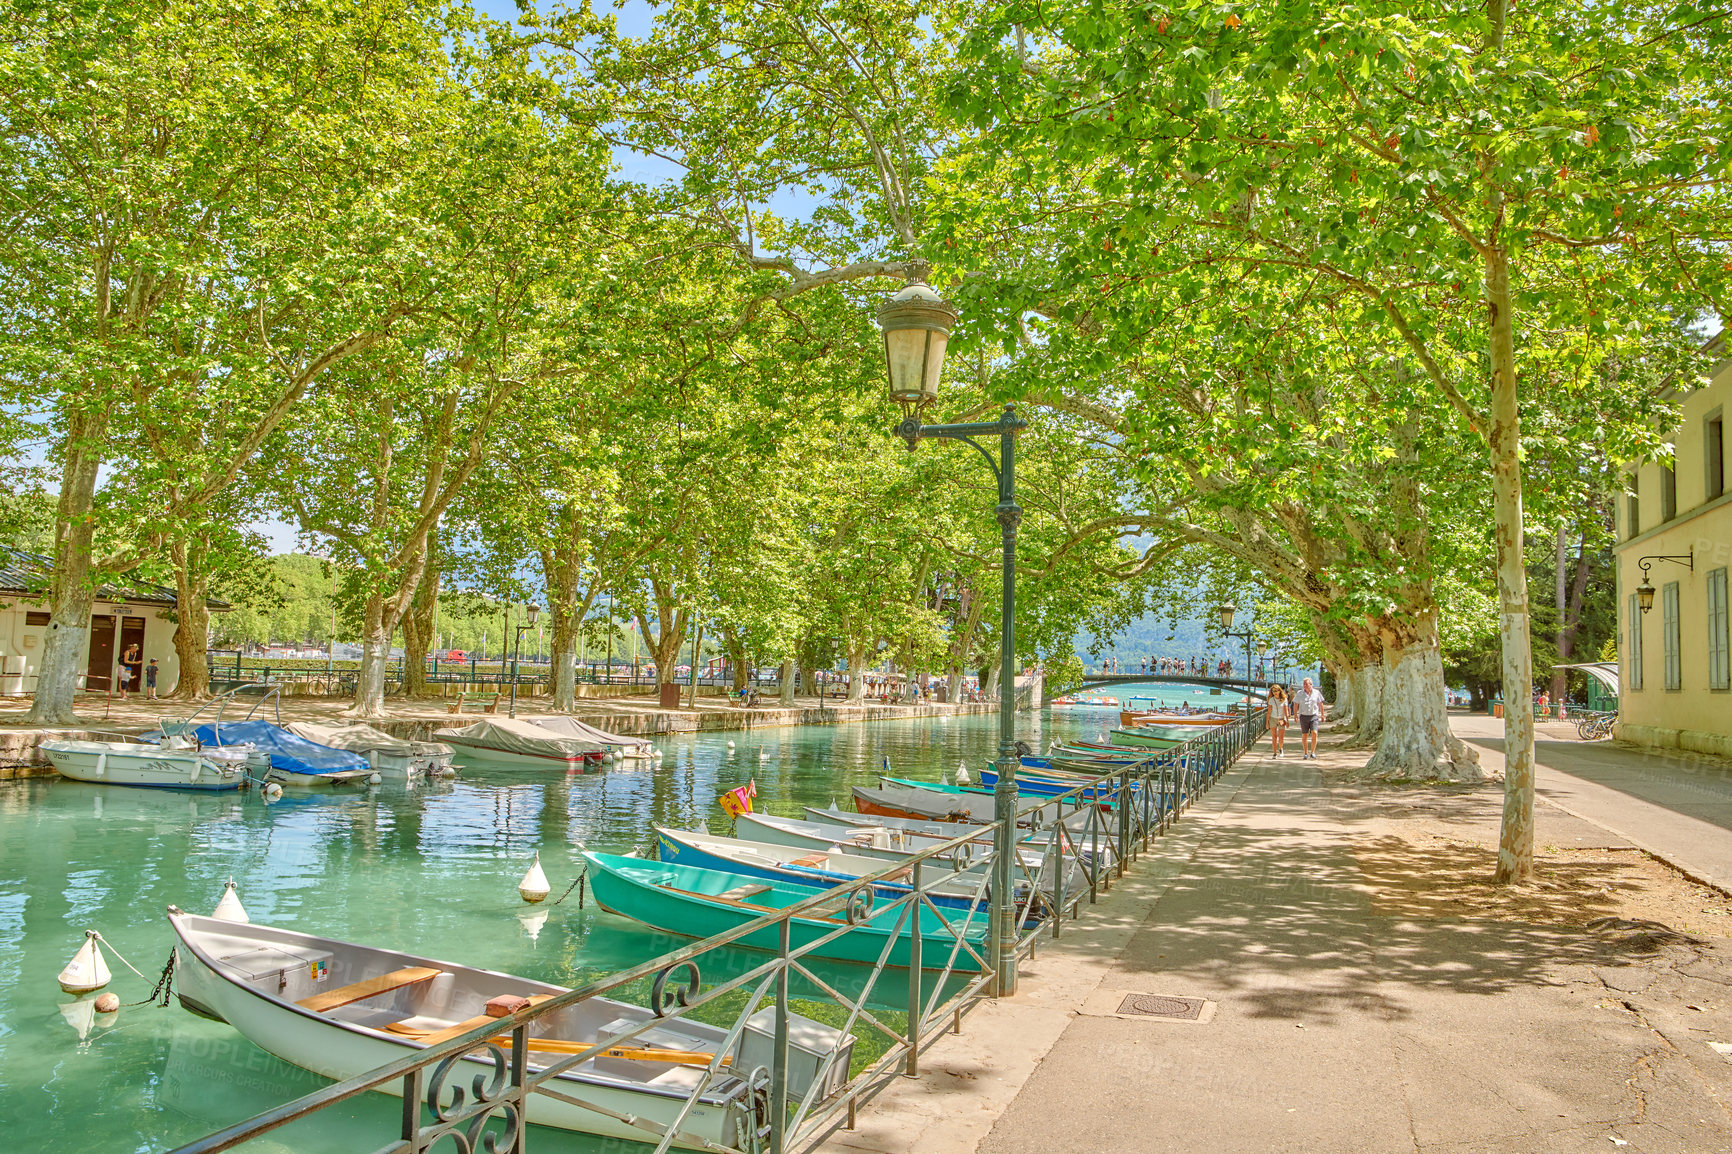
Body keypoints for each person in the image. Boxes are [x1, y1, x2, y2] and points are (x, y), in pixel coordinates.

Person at [1295, 677, 1326, 759]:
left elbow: (1320, 704)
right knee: (1305, 735)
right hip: (1303, 716)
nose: (1304, 685)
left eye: (1306, 684)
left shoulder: (1316, 693)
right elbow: (1296, 704)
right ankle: (1305, 752)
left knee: (1314, 733)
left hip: (1313, 716)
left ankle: (1312, 752)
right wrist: (1295, 715)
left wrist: (1322, 715)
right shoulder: (1299, 693)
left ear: (1311, 684)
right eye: (1304, 684)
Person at [1267, 684, 1290, 758]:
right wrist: (1267, 722)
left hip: (1281, 719)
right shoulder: (1271, 700)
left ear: (1280, 691)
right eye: (1273, 691)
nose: (1275, 693)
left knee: (1281, 737)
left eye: (1276, 691)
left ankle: (1280, 748)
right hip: (1273, 718)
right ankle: (1274, 753)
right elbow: (1269, 711)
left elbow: (1286, 711)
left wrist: (1287, 720)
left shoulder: (1284, 699)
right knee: (1274, 737)